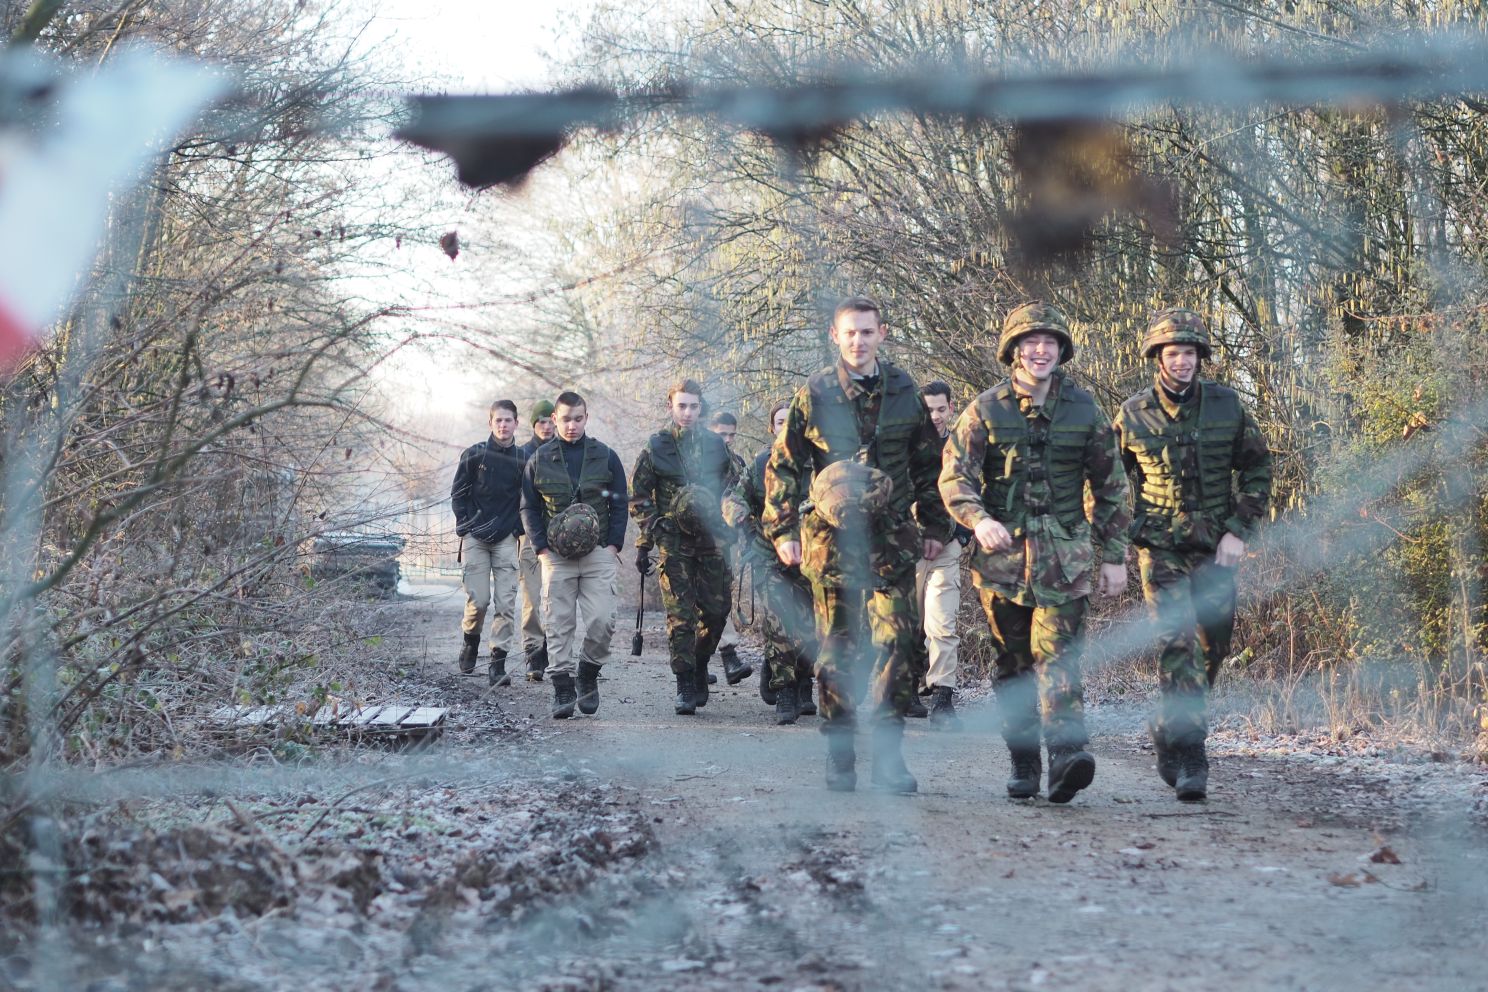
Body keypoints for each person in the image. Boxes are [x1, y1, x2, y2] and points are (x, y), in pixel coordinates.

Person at [939, 302, 1130, 803]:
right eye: (1030, 342)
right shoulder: (985, 409)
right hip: (1002, 565)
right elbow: (956, 475)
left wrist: (1113, 555)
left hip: (1065, 561)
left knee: (1060, 658)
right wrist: (978, 520)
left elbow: (1112, 486)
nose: (1040, 350)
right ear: (1014, 351)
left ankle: (1067, 756)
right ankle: (1024, 760)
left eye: (1049, 342)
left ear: (1061, 350)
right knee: (1014, 664)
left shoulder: (1084, 409)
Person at [764, 296, 951, 793]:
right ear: (835, 335)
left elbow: (928, 464)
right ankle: (840, 752)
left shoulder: (904, 389)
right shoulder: (817, 392)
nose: (858, 341)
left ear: (881, 334)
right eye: (850, 333)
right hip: (831, 542)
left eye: (867, 332)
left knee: (900, 642)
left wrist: (935, 527)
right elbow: (784, 465)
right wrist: (783, 531)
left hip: (891, 538)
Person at [1113, 308, 1272, 801]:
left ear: (1200, 357)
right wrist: (1116, 546)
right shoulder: (1132, 413)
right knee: (1176, 643)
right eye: (1172, 353)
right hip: (1159, 549)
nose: (1181, 361)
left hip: (1215, 549)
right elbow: (1110, 483)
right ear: (1156, 357)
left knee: (1214, 644)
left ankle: (1167, 721)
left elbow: (1258, 469)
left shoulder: (1227, 406)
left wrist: (1239, 531)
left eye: (1188, 353)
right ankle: (1191, 754)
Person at [631, 380, 747, 714]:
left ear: (701, 408)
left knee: (716, 611)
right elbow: (638, 495)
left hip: (712, 541)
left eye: (693, 406)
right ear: (671, 407)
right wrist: (649, 534)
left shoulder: (715, 445)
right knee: (680, 617)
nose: (687, 413)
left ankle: (699, 661)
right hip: (674, 542)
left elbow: (735, 485)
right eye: (681, 406)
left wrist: (732, 515)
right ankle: (684, 680)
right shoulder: (658, 446)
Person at [520, 391, 628, 718]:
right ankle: (563, 687)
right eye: (565, 419)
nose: (572, 425)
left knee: (603, 620)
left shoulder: (605, 456)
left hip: (598, 553)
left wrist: (612, 546)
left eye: (578, 419)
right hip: (555, 555)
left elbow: (620, 502)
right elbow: (529, 506)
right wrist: (540, 549)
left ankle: (588, 673)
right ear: (554, 419)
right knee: (557, 624)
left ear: (586, 418)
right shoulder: (539, 459)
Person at [724, 400, 819, 724]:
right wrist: (742, 521)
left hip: (811, 559)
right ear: (772, 427)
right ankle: (785, 691)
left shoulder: (817, 462)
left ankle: (805, 684)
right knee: (780, 621)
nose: (785, 427)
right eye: (780, 421)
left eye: (791, 421)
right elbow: (736, 498)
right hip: (769, 555)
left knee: (810, 627)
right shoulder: (762, 462)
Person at [451, 399, 527, 687]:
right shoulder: (474, 455)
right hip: (476, 537)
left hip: (506, 537)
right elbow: (458, 494)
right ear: (491, 423)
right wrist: (466, 524)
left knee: (506, 603)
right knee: (479, 600)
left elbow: (528, 499)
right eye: (499, 420)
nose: (504, 425)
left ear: (516, 423)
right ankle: (470, 641)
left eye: (509, 420)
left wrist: (517, 528)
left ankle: (498, 662)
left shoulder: (522, 459)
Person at [915, 381, 972, 730]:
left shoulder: (961, 447)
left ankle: (943, 696)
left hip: (947, 549)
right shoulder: (905, 447)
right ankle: (906, 687)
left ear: (951, 408)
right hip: (908, 548)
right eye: (928, 410)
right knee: (905, 623)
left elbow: (975, 489)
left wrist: (964, 536)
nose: (935, 416)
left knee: (941, 622)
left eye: (940, 409)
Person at [706, 409, 754, 686]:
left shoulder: (738, 464)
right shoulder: (696, 462)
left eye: (731, 434)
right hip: (694, 542)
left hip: (725, 543)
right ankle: (704, 661)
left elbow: (746, 502)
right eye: (721, 434)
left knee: (720, 598)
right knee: (697, 605)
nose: (727, 440)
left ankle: (726, 654)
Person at [516, 399, 556, 681]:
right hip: (529, 536)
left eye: (549, 421)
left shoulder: (563, 451)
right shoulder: (521, 455)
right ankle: (533, 654)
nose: (546, 426)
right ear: (533, 425)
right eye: (540, 422)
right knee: (532, 598)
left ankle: (554, 651)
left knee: (555, 599)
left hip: (560, 538)